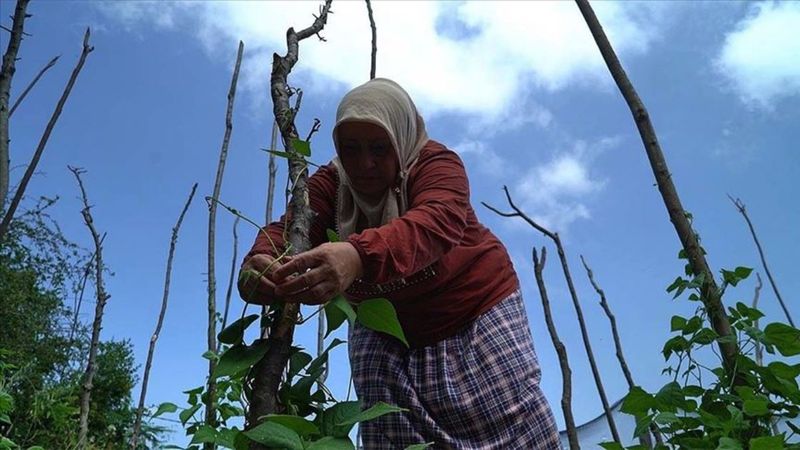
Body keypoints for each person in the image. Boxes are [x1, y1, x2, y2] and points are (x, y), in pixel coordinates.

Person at [238, 78, 561, 449]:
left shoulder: (436, 164)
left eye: (379, 147)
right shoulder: (332, 183)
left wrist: (357, 255)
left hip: (473, 310)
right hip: (388, 333)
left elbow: (438, 220)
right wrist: (259, 263)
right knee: (393, 432)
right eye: (351, 148)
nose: (365, 163)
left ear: (400, 138)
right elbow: (291, 226)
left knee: (505, 418)